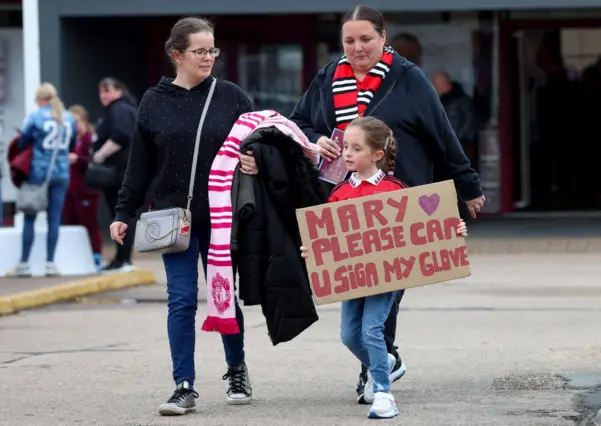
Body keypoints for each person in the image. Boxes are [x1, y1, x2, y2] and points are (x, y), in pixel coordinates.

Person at [289, 4, 484, 404]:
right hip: (343, 202)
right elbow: (300, 123)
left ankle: (373, 372)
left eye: (366, 39)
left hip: (398, 201)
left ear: (383, 37)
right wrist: (316, 139)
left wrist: (467, 185)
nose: (357, 47)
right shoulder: (327, 78)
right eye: (349, 40)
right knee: (356, 286)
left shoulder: (409, 79)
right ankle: (384, 361)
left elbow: (442, 135)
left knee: (383, 288)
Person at [109, 16, 256, 416]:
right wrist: (124, 210)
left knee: (223, 295)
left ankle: (236, 368)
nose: (209, 58)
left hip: (223, 214)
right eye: (200, 51)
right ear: (177, 54)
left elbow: (260, 144)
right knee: (181, 300)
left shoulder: (231, 96)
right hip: (173, 218)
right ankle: (183, 385)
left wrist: (255, 161)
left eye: (213, 50)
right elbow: (138, 164)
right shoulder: (153, 101)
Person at [300, 117, 468, 419]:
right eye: (345, 147)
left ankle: (383, 392)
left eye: (356, 148)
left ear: (378, 154)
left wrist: (449, 230)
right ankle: (387, 363)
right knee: (349, 336)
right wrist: (314, 249)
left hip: (386, 277)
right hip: (352, 278)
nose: (347, 153)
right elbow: (331, 238)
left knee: (372, 330)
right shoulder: (338, 191)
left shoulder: (394, 189)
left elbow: (421, 226)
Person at [7, 83, 76, 277]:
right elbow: (71, 146)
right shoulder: (68, 117)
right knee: (54, 219)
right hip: (61, 173)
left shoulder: (36, 117)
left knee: (29, 216)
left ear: (39, 100)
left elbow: (23, 142)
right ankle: (50, 264)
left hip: (39, 173)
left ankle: (24, 264)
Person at [91, 77, 137, 273]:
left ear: (119, 91)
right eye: (101, 91)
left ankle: (123, 259)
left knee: (121, 215)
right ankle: (121, 258)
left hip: (119, 172)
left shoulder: (120, 109)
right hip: (122, 171)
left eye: (107, 91)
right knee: (119, 214)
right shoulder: (123, 109)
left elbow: (120, 137)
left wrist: (99, 155)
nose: (103, 96)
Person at [63, 105, 103, 271]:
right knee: (70, 223)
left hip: (86, 189)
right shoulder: (69, 140)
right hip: (69, 190)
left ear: (84, 121)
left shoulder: (90, 139)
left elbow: (94, 161)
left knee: (90, 224)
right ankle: (74, 257)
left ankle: (96, 255)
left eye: (76, 121)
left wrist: (78, 158)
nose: (73, 125)